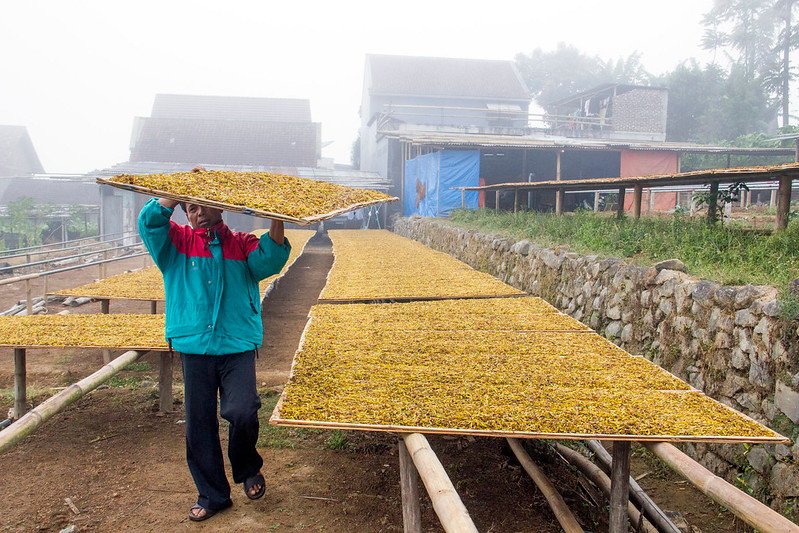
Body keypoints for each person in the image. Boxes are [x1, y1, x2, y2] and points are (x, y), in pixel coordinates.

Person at [138, 191, 291, 522]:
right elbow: (149, 223)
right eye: (191, 207)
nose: (199, 213)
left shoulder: (241, 243)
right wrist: (174, 193)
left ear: (221, 206)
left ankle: (248, 467)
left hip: (236, 343)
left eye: (205, 205)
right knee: (199, 423)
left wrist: (277, 216)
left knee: (243, 410)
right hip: (194, 344)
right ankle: (213, 494)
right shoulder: (175, 244)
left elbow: (270, 259)